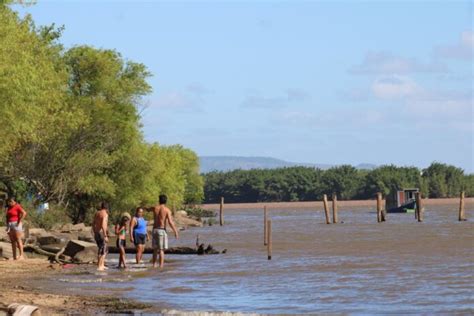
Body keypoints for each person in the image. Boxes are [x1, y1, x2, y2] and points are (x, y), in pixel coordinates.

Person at [151, 195, 179, 268]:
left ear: (159, 200)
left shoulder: (155, 208)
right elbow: (170, 222)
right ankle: (161, 266)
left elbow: (148, 209)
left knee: (155, 249)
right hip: (161, 230)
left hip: (154, 230)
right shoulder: (167, 210)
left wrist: (144, 208)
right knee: (161, 250)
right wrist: (175, 231)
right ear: (166, 201)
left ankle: (154, 265)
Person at [92, 202, 109, 271]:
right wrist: (105, 235)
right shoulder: (105, 214)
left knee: (100, 248)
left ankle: (101, 265)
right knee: (104, 250)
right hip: (102, 233)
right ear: (107, 208)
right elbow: (103, 225)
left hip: (96, 232)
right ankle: (100, 266)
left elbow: (93, 223)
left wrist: (94, 231)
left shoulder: (97, 213)